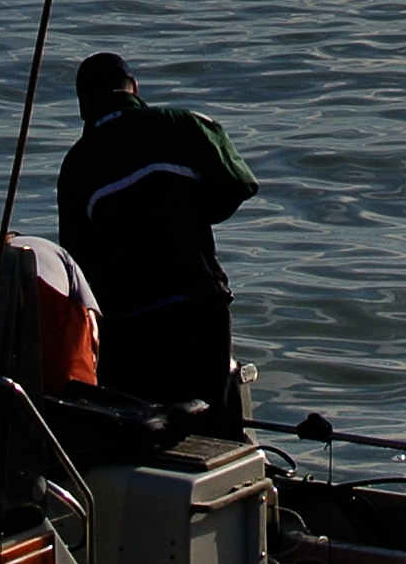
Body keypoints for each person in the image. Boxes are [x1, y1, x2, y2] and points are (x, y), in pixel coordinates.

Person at [56, 53, 258, 415]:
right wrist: (191, 215)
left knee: (142, 429)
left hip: (129, 322)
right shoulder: (186, 124)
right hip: (199, 305)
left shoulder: (76, 165)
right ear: (134, 87)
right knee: (210, 421)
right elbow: (240, 184)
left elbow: (76, 259)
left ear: (84, 105)